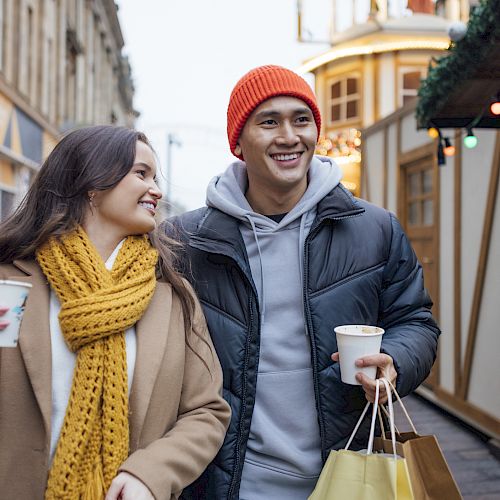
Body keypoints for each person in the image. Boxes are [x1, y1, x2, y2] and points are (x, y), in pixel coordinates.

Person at [165, 65, 440, 500]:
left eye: (301, 119)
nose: (289, 136)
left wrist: (395, 361)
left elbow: (416, 322)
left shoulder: (375, 229)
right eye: (269, 121)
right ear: (238, 141)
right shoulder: (185, 241)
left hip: (350, 476)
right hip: (228, 481)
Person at [0, 125, 230, 500]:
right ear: (92, 182)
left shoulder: (171, 297)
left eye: (156, 177)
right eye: (141, 173)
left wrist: (152, 474)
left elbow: (206, 411)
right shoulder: (11, 282)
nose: (156, 189)